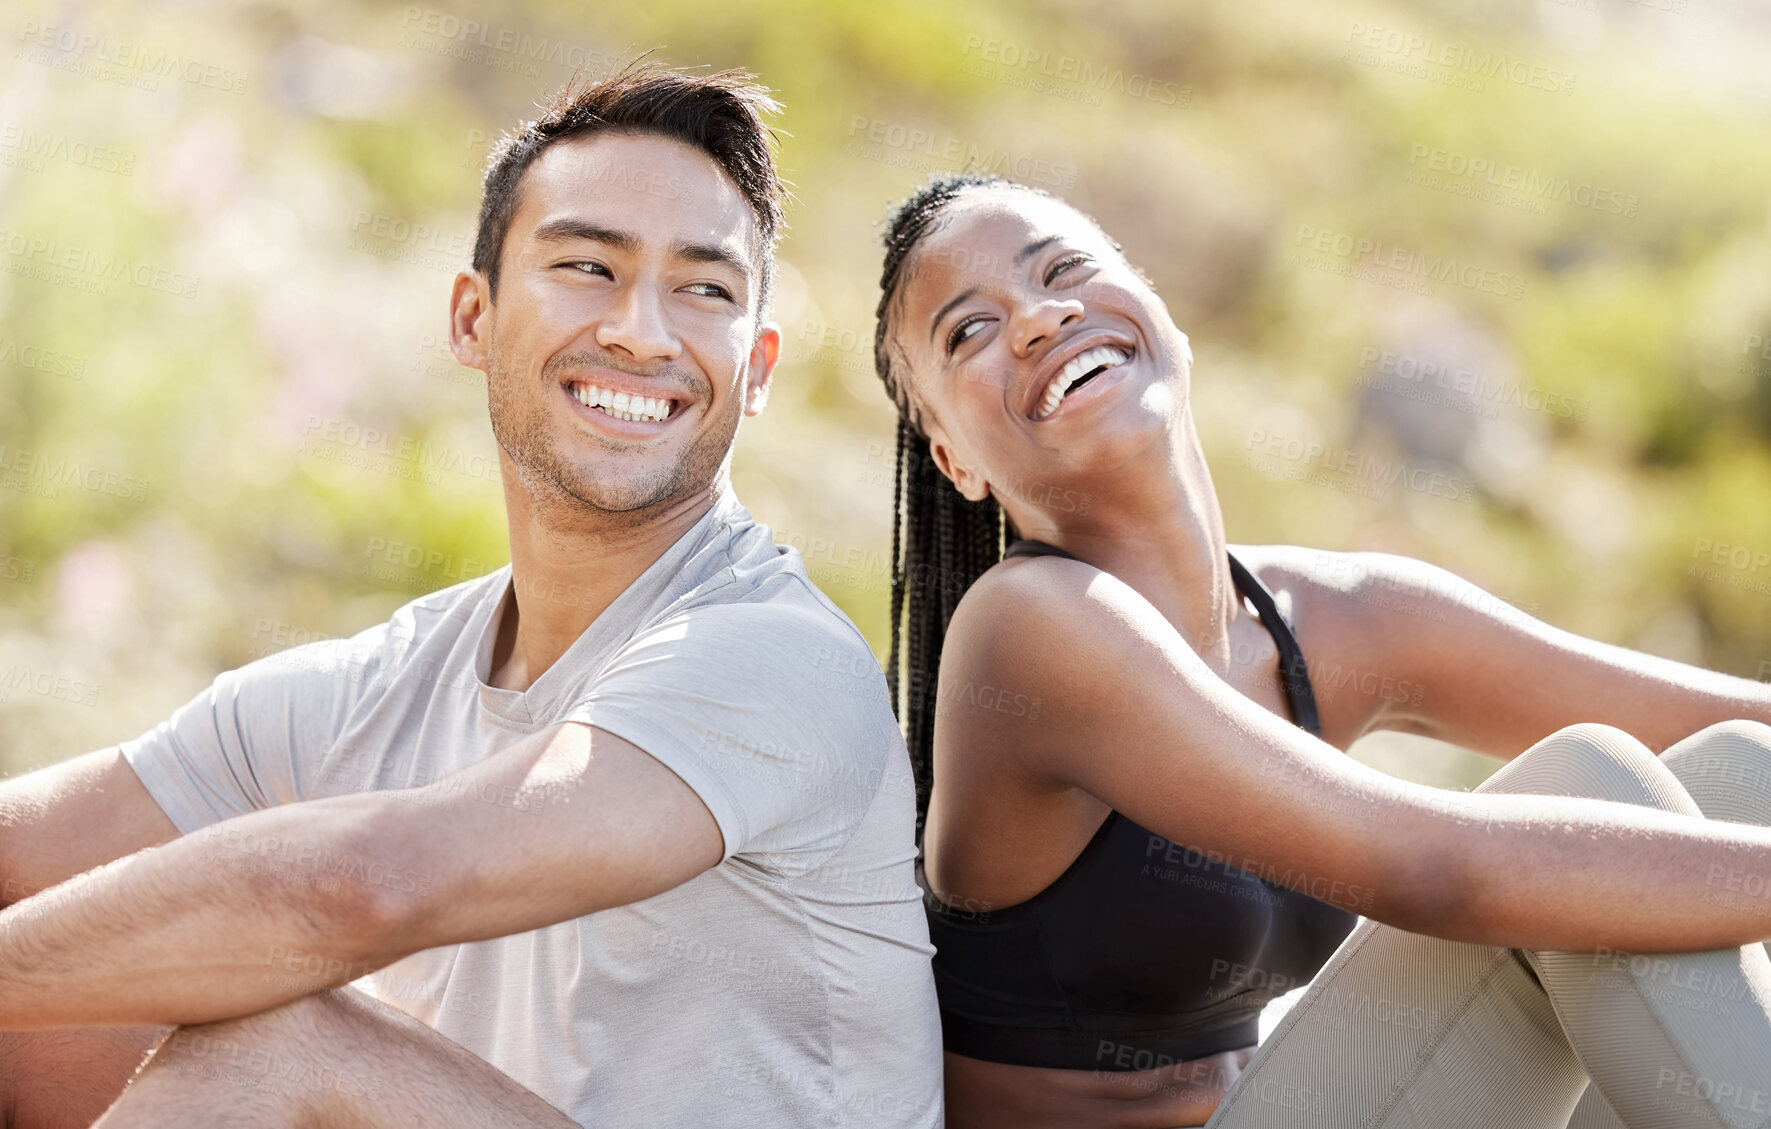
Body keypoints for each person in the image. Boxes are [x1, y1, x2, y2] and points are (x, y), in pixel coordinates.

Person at [0, 63, 943, 1129]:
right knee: (45, 1014)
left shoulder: (775, 658)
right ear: (471, 317)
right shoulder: (389, 680)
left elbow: (358, 887)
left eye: (705, 288)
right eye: (588, 266)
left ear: (758, 366)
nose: (643, 331)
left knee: (280, 1041)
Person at [870, 172, 1771, 1129]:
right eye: (969, 330)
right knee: (1589, 786)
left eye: (1065, 270)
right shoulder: (1028, 629)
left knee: (1736, 771)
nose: (1038, 318)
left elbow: (1731, 717)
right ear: (953, 460)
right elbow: (1432, 869)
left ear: (1161, 317)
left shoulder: (1337, 618)